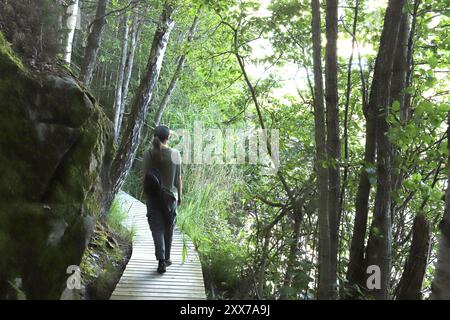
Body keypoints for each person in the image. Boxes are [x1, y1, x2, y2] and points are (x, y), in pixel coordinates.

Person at [142, 125, 182, 273]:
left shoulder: (148, 154)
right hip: (170, 198)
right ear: (168, 137)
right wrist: (180, 196)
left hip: (153, 197)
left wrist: (145, 194)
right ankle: (167, 258)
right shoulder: (175, 154)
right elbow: (178, 179)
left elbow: (145, 177)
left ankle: (161, 261)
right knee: (168, 228)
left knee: (157, 229)